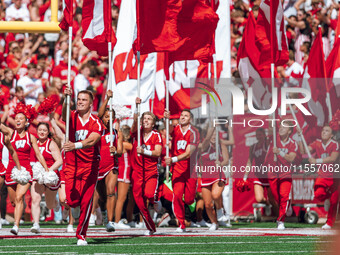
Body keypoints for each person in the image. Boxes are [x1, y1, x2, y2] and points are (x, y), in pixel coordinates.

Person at [62, 88, 103, 245]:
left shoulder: (96, 122)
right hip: (72, 164)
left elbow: (92, 140)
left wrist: (76, 145)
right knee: (72, 201)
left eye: (84, 99)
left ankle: (81, 235)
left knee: (87, 201)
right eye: (78, 99)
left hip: (90, 166)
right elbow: (65, 111)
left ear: (91, 104)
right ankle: (74, 206)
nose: (80, 102)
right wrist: (67, 98)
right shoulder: (72, 116)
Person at [0, 104, 49, 235]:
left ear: (26, 122)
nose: (18, 120)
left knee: (19, 196)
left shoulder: (31, 137)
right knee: (14, 201)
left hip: (26, 170)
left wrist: (46, 169)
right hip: (11, 169)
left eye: (21, 118)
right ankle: (21, 208)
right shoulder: (11, 133)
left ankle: (16, 226)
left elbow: (38, 154)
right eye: (16, 118)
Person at [130, 97, 163, 235]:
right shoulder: (137, 133)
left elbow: (157, 152)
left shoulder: (156, 135)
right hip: (137, 171)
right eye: (144, 119)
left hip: (150, 171)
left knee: (149, 194)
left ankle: (155, 199)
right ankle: (150, 226)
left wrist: (144, 151)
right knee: (139, 201)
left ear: (154, 122)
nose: (146, 121)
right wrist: (137, 109)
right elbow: (133, 126)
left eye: (149, 119)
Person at [164, 109, 200, 232]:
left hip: (190, 169)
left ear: (190, 119)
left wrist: (173, 159)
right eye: (182, 115)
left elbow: (188, 153)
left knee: (189, 199)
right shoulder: (176, 129)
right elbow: (168, 130)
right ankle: (181, 224)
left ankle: (190, 205)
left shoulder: (194, 132)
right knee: (177, 195)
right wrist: (167, 119)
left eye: (186, 116)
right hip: (178, 169)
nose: (183, 117)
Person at [96, 90, 123, 232]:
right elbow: (99, 115)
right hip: (98, 165)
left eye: (110, 117)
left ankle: (111, 221)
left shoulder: (116, 132)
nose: (107, 119)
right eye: (106, 117)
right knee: (101, 197)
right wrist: (106, 99)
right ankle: (105, 213)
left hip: (111, 166)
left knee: (111, 191)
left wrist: (115, 151)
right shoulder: (98, 129)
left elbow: (120, 151)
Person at [264, 122, 298, 230]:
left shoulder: (293, 143)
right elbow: (271, 125)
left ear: (290, 131)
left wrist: (279, 153)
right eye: (281, 127)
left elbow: (291, 158)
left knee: (284, 195)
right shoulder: (274, 138)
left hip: (285, 173)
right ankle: (286, 206)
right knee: (275, 197)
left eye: (285, 127)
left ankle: (281, 220)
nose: (282, 128)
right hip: (273, 172)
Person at [30, 122, 63, 233]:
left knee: (50, 204)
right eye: (40, 130)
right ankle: (36, 224)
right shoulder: (34, 142)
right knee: (35, 199)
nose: (42, 132)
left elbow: (59, 161)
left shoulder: (51, 144)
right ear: (37, 131)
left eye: (44, 130)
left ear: (48, 132)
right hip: (38, 175)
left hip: (50, 176)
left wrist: (47, 172)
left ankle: (56, 203)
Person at [307, 124, 339, 230]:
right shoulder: (317, 143)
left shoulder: (335, 144)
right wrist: (299, 139)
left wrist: (317, 161)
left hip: (335, 176)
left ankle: (329, 223)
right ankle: (327, 197)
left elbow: (333, 158)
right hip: (323, 174)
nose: (323, 132)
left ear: (331, 135)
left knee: (334, 202)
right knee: (318, 194)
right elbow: (304, 150)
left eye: (327, 131)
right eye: (323, 130)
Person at [200, 128, 229, 231]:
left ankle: (220, 209)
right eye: (211, 135)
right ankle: (214, 222)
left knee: (216, 195)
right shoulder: (203, 146)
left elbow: (226, 160)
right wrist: (212, 126)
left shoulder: (221, 146)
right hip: (205, 176)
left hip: (218, 174)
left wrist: (220, 163)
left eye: (215, 135)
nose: (213, 137)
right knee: (207, 204)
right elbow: (207, 139)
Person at [0, 121, 22, 229]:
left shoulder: (3, 137)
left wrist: (19, 167)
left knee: (12, 200)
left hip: (1, 168)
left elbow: (13, 152)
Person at [115, 125, 134, 229]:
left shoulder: (122, 143)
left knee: (126, 198)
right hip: (124, 171)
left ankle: (129, 219)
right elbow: (134, 148)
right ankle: (117, 221)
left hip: (127, 170)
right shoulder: (125, 144)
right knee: (121, 198)